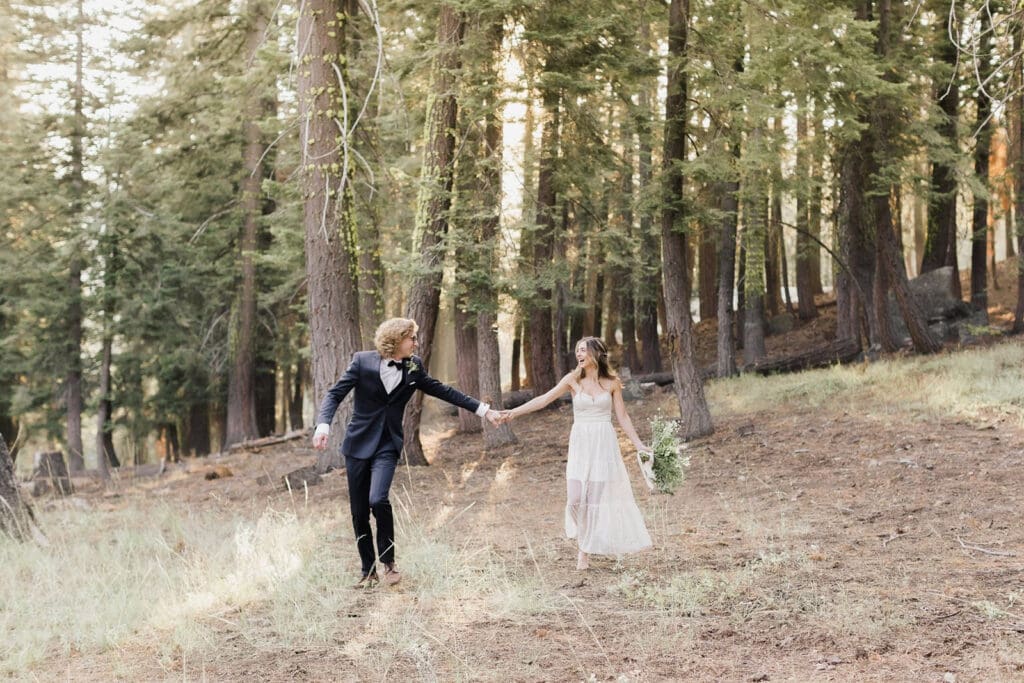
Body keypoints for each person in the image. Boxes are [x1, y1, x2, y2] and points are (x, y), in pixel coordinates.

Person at [313, 317, 503, 587]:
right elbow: (334, 395)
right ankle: (367, 570)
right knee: (358, 512)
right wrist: (323, 426)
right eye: (411, 338)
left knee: (378, 499)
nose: (416, 342)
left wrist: (484, 411)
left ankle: (389, 563)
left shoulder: (414, 366)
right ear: (395, 339)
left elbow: (444, 390)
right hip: (357, 445)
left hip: (388, 445)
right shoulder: (362, 361)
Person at [500, 337, 652, 570]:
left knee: (594, 501)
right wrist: (514, 412)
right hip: (581, 444)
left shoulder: (612, 382)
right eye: (577, 351)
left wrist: (639, 445)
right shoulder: (572, 380)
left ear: (596, 354)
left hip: (604, 445)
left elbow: (623, 417)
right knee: (575, 499)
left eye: (583, 351)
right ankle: (585, 536)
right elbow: (543, 399)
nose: (579, 355)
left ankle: (584, 550)